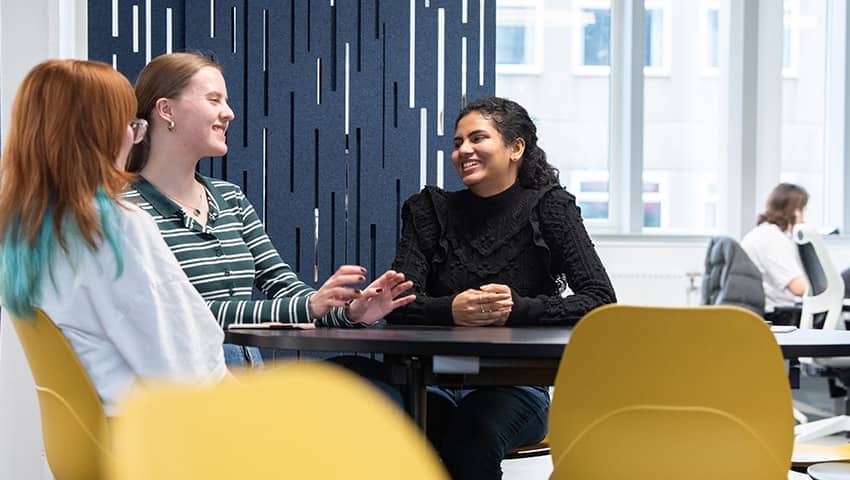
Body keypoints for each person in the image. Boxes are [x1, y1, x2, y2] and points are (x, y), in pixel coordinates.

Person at [124, 52, 414, 367]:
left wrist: (348, 312)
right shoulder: (124, 209)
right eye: (214, 99)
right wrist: (308, 307)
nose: (229, 113)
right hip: (179, 385)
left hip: (244, 376)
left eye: (226, 101)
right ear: (166, 109)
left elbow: (283, 287)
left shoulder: (230, 198)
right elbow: (180, 310)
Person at [386, 96, 617, 479]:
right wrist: (451, 310)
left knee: (471, 437)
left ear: (516, 147)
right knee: (396, 434)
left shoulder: (551, 208)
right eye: (458, 143)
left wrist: (517, 309)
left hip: (518, 388)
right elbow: (395, 304)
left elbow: (600, 300)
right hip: (433, 383)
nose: (463, 150)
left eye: (477, 138)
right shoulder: (428, 211)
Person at [0, 59, 227, 415]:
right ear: (99, 134)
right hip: (155, 435)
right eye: (131, 125)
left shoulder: (21, 228)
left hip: (96, 435)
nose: (134, 138)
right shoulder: (116, 225)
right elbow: (186, 372)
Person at [741, 183, 808, 324]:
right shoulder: (772, 238)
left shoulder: (764, 233)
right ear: (795, 211)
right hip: (774, 317)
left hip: (768, 313)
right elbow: (799, 288)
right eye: (803, 211)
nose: (803, 218)